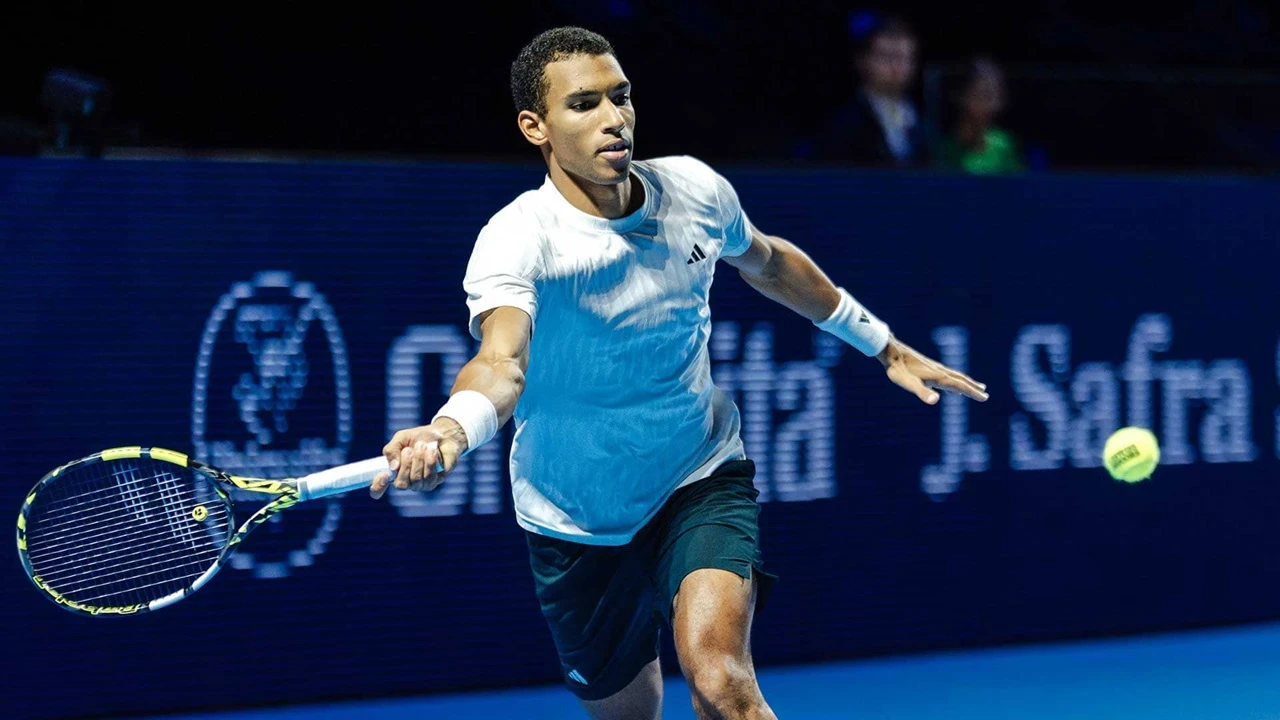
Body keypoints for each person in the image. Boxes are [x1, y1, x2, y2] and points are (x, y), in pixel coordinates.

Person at [369, 26, 988, 720]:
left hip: (698, 475)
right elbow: (501, 361)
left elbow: (769, 262)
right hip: (573, 516)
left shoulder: (694, 189)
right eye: (584, 105)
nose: (614, 118)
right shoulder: (516, 240)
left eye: (621, 96)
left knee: (723, 683)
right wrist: (452, 428)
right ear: (534, 127)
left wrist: (882, 344)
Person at [809, 14, 932, 167]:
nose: (898, 67)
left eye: (906, 58)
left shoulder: (924, 121)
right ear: (862, 61)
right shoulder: (843, 126)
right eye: (888, 57)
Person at [936, 57, 1025, 175]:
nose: (995, 105)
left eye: (998, 97)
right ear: (961, 96)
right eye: (985, 95)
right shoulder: (942, 150)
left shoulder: (1004, 146)